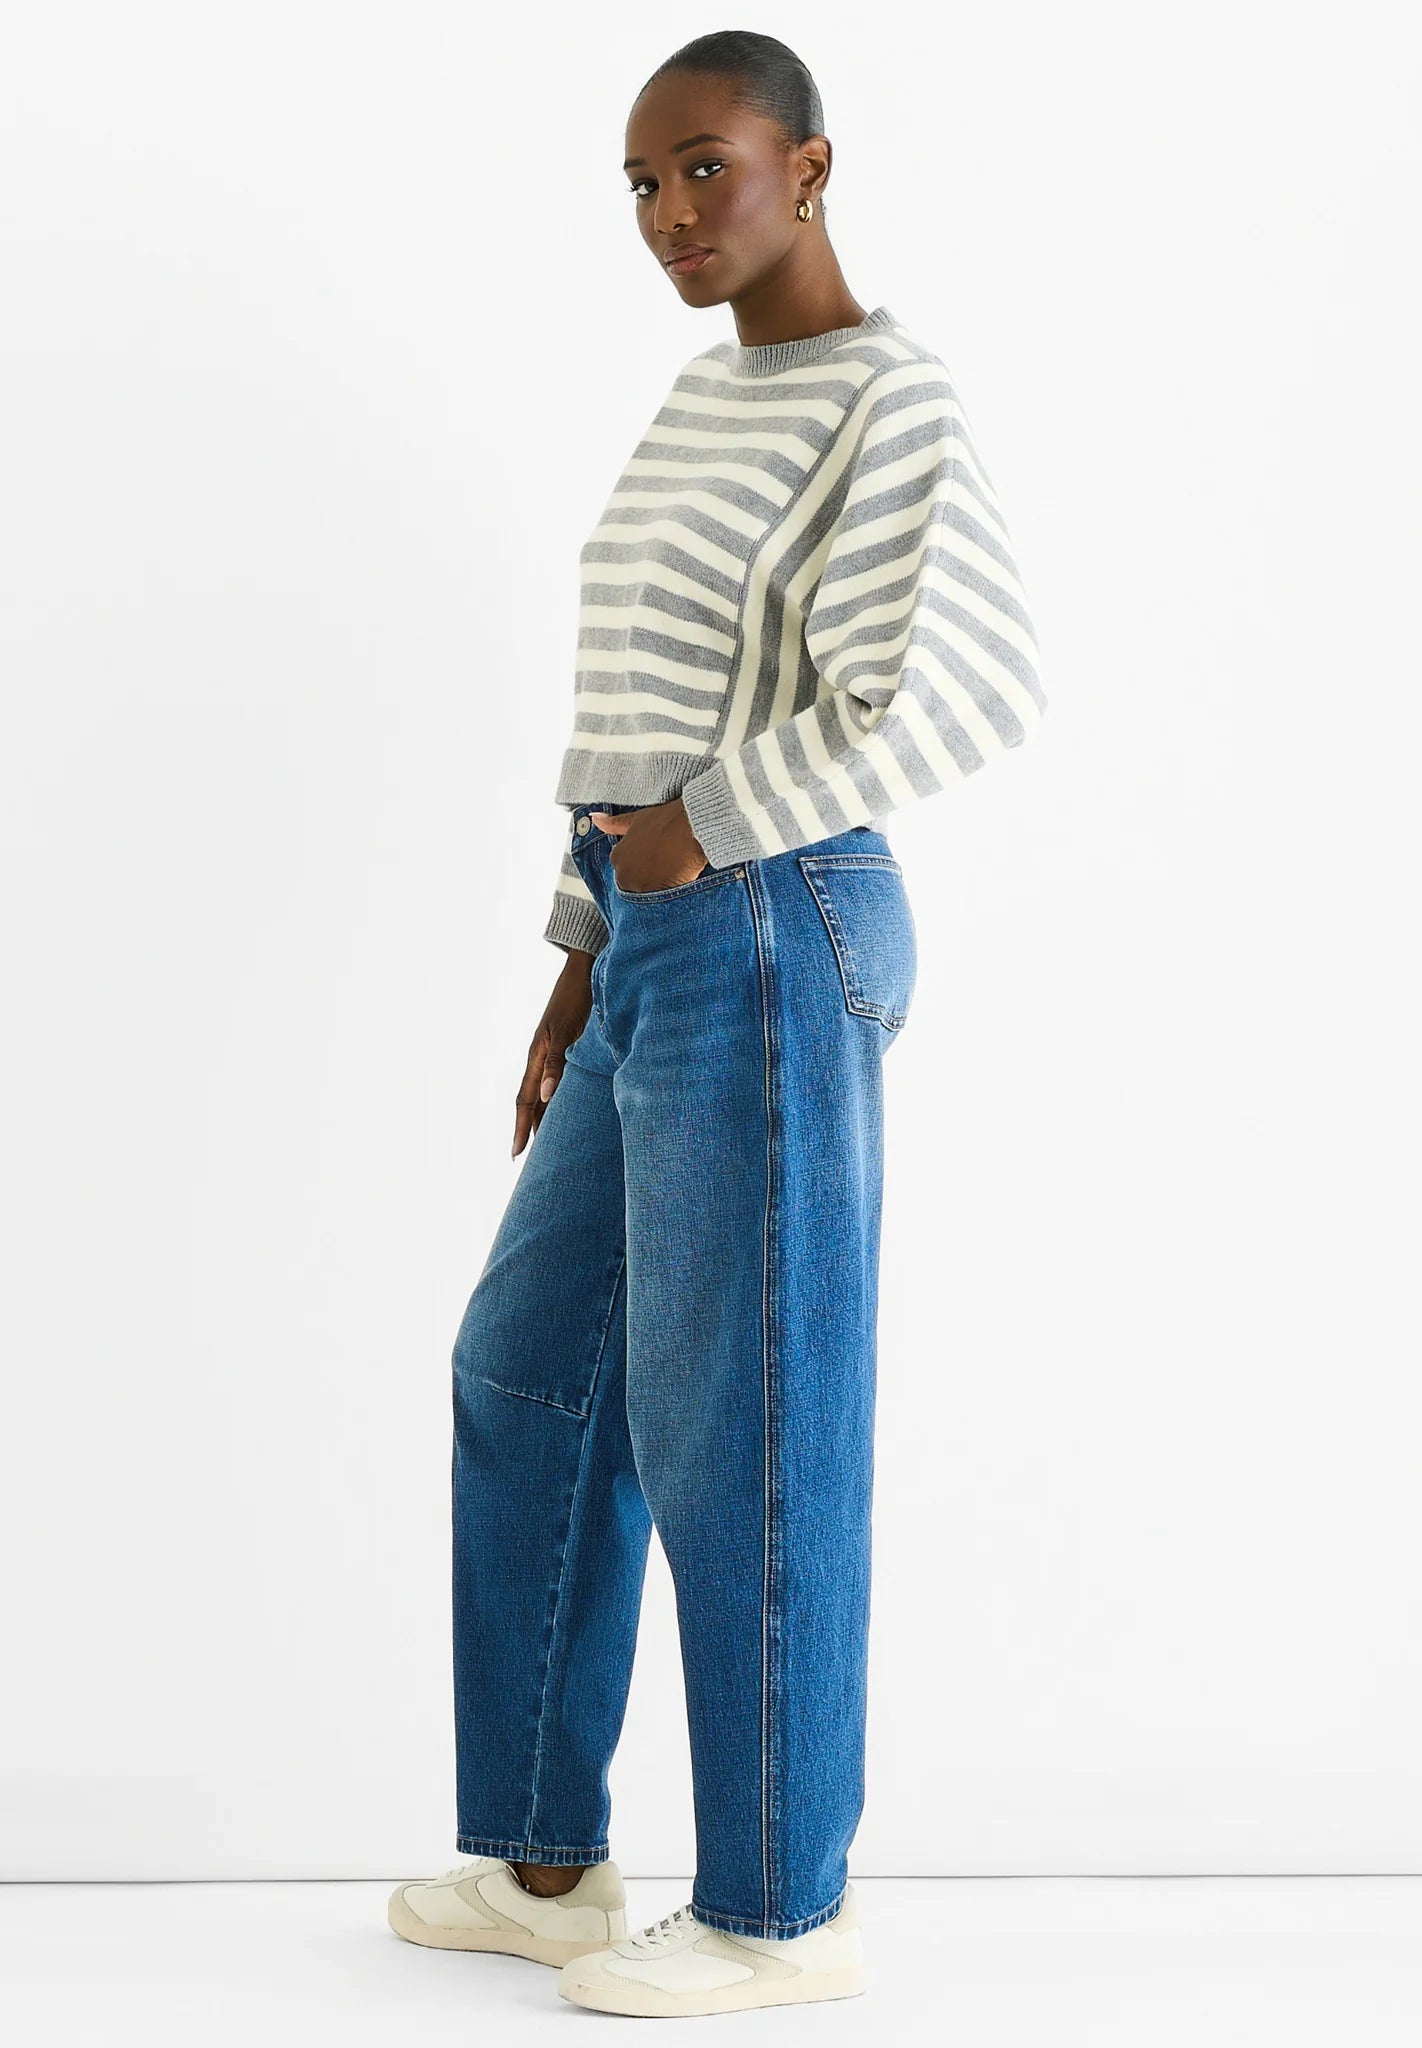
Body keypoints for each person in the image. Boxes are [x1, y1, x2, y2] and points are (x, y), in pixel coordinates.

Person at [387, 28, 1045, 2021]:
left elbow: (971, 684)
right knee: (528, 1370)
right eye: (641, 185)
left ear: (808, 166)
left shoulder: (888, 393)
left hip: (772, 916)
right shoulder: (703, 397)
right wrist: (580, 950)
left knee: (744, 1423)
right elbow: (642, 703)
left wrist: (701, 834)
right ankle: (542, 1860)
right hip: (662, 940)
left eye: (705, 167)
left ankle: (778, 1908)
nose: (670, 213)